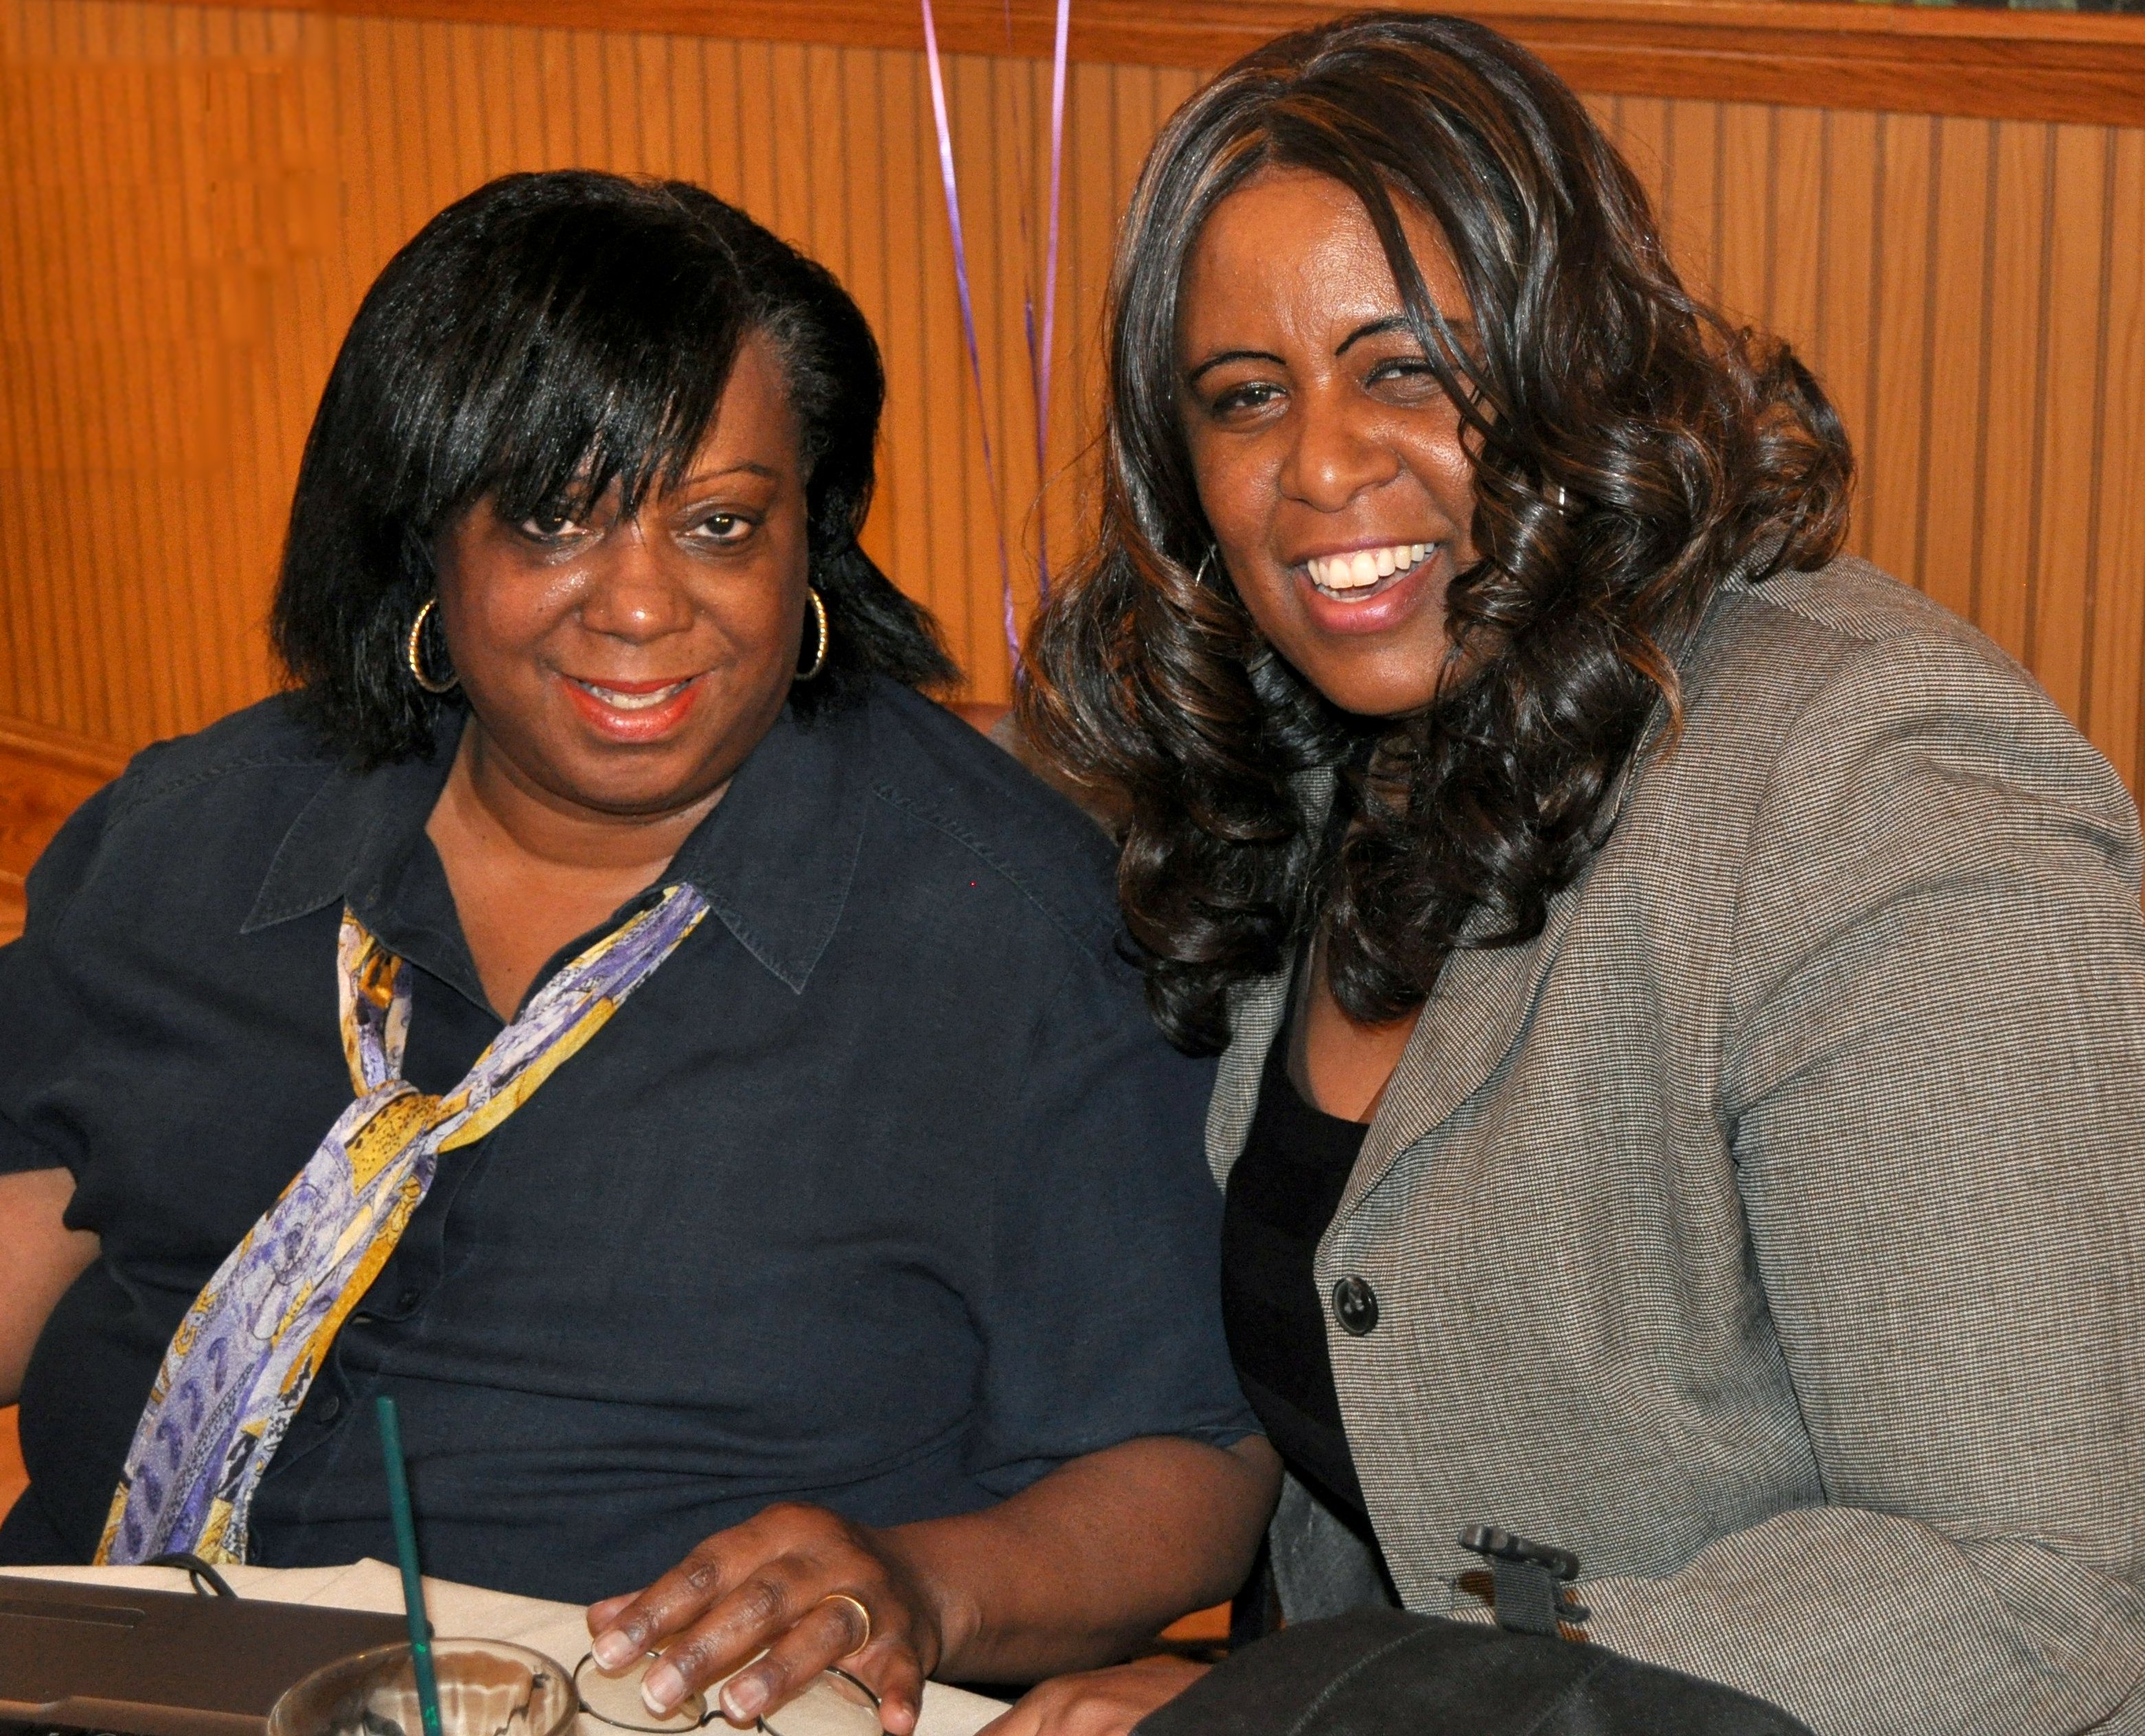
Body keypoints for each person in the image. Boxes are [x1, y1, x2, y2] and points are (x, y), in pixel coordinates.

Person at [0, 170, 1278, 1735]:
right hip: (91, 1673)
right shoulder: (201, 836)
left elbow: (1190, 1461)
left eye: (719, 525)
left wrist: (921, 1584)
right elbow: (40, 1225)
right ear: (427, 532)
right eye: (554, 519)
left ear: (812, 538)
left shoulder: (1011, 934)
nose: (642, 606)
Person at [1005, 14, 2145, 1735]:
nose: (1319, 465)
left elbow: (2031, 1581)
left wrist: (1344, 1715)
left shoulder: (1874, 780)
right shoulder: (1308, 759)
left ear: (1575, 367)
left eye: (1405, 369)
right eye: (1245, 396)